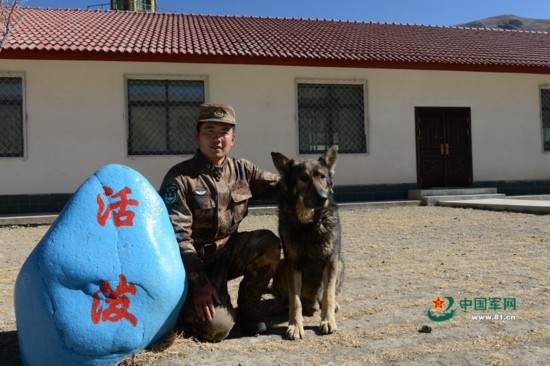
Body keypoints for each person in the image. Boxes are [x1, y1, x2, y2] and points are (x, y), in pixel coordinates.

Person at [159, 103, 281, 342]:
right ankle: (185, 307)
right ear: (197, 136)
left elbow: (283, 187)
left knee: (267, 243)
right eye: (209, 131)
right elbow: (177, 236)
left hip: (229, 251)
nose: (217, 138)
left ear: (233, 138)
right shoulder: (180, 178)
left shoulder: (243, 170)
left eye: (224, 132)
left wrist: (311, 179)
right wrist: (199, 283)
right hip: (196, 263)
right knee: (216, 330)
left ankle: (248, 309)